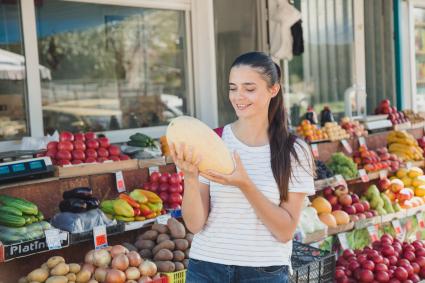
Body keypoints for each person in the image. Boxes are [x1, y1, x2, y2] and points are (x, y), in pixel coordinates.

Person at [169, 51, 315, 283]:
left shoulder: (294, 151)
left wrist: (245, 184)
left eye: (249, 88)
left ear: (273, 89)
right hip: (206, 268)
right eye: (233, 88)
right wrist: (190, 178)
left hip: (263, 273)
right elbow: (195, 225)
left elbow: (285, 231)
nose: (239, 97)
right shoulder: (213, 141)